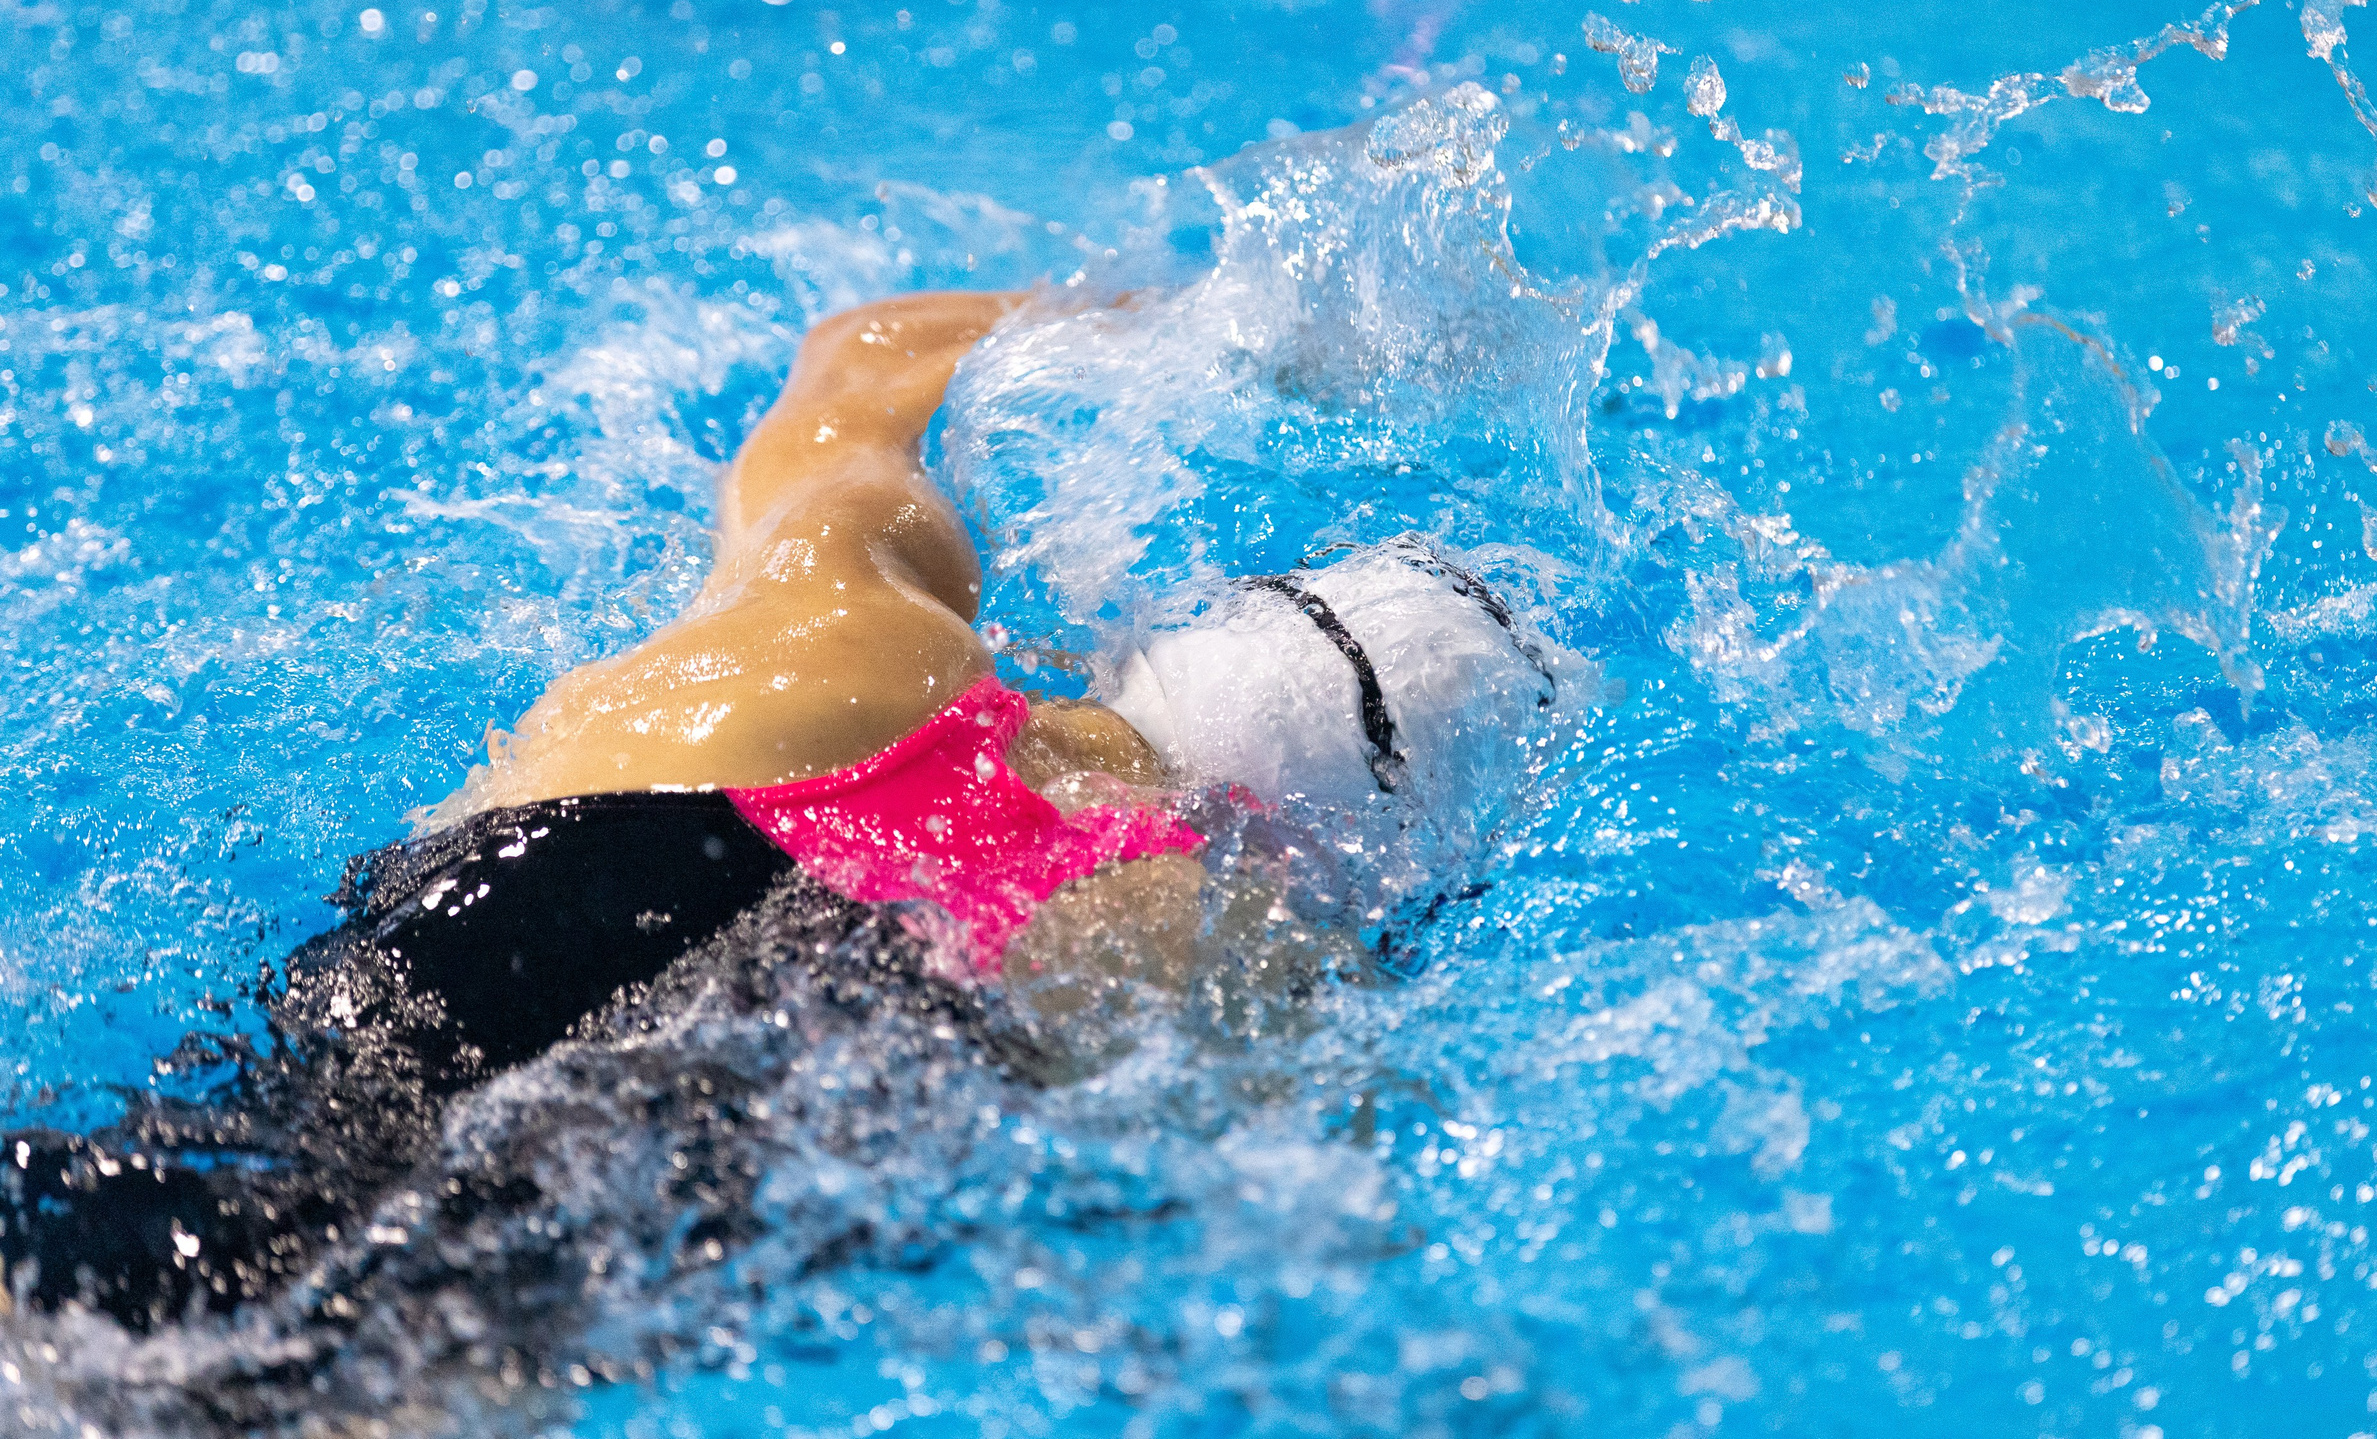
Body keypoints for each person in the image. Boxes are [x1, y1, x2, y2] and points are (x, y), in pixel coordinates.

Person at [0, 287, 1568, 1329]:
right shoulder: (1228, 975)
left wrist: (1235, 323)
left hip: (189, 1151)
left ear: (1206, 624)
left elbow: (867, 355)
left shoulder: (842, 625)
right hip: (502, 1316)